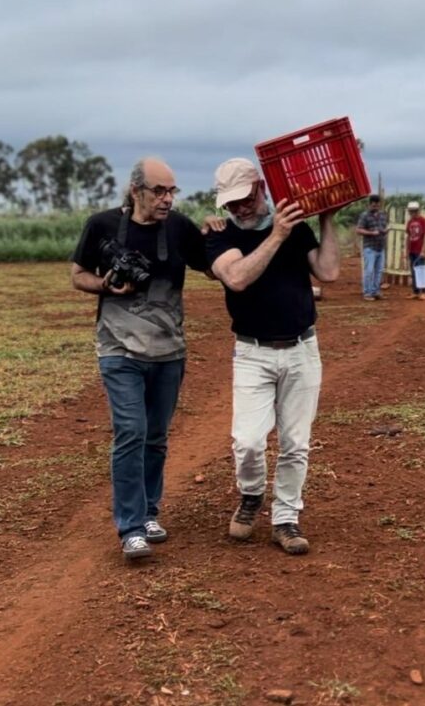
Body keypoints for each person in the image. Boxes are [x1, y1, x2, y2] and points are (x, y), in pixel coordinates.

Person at [71, 158, 210, 560]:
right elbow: (77, 274)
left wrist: (218, 231)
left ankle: (149, 512)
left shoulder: (180, 227)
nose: (167, 199)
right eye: (159, 191)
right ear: (136, 191)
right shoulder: (101, 225)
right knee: (131, 431)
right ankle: (131, 527)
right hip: (118, 349)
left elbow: (214, 268)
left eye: (172, 191)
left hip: (168, 351)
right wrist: (104, 285)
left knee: (156, 436)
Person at [205, 158, 340, 555]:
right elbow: (237, 278)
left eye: (245, 199)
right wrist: (277, 235)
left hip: (301, 348)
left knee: (296, 442)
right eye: (231, 203)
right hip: (252, 351)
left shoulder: (295, 226)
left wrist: (327, 219)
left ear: (261, 188)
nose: (240, 208)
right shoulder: (220, 235)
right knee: (247, 441)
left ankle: (286, 518)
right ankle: (251, 494)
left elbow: (328, 272)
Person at [355, 194, 388, 300]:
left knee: (379, 271)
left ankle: (375, 291)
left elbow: (382, 228)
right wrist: (371, 233)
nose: (376, 207)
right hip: (370, 247)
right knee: (369, 271)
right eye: (374, 205)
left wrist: (385, 231)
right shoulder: (365, 216)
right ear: (369, 204)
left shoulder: (383, 215)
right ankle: (367, 293)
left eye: (377, 205)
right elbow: (358, 230)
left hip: (380, 247)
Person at [405, 201, 425, 300]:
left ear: (418, 211)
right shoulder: (410, 222)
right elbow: (408, 236)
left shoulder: (424, 221)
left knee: (422, 271)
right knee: (413, 271)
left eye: (414, 211)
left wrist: (423, 251)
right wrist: (406, 250)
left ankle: (424, 292)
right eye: (411, 211)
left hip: (420, 250)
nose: (413, 213)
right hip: (412, 250)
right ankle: (415, 292)